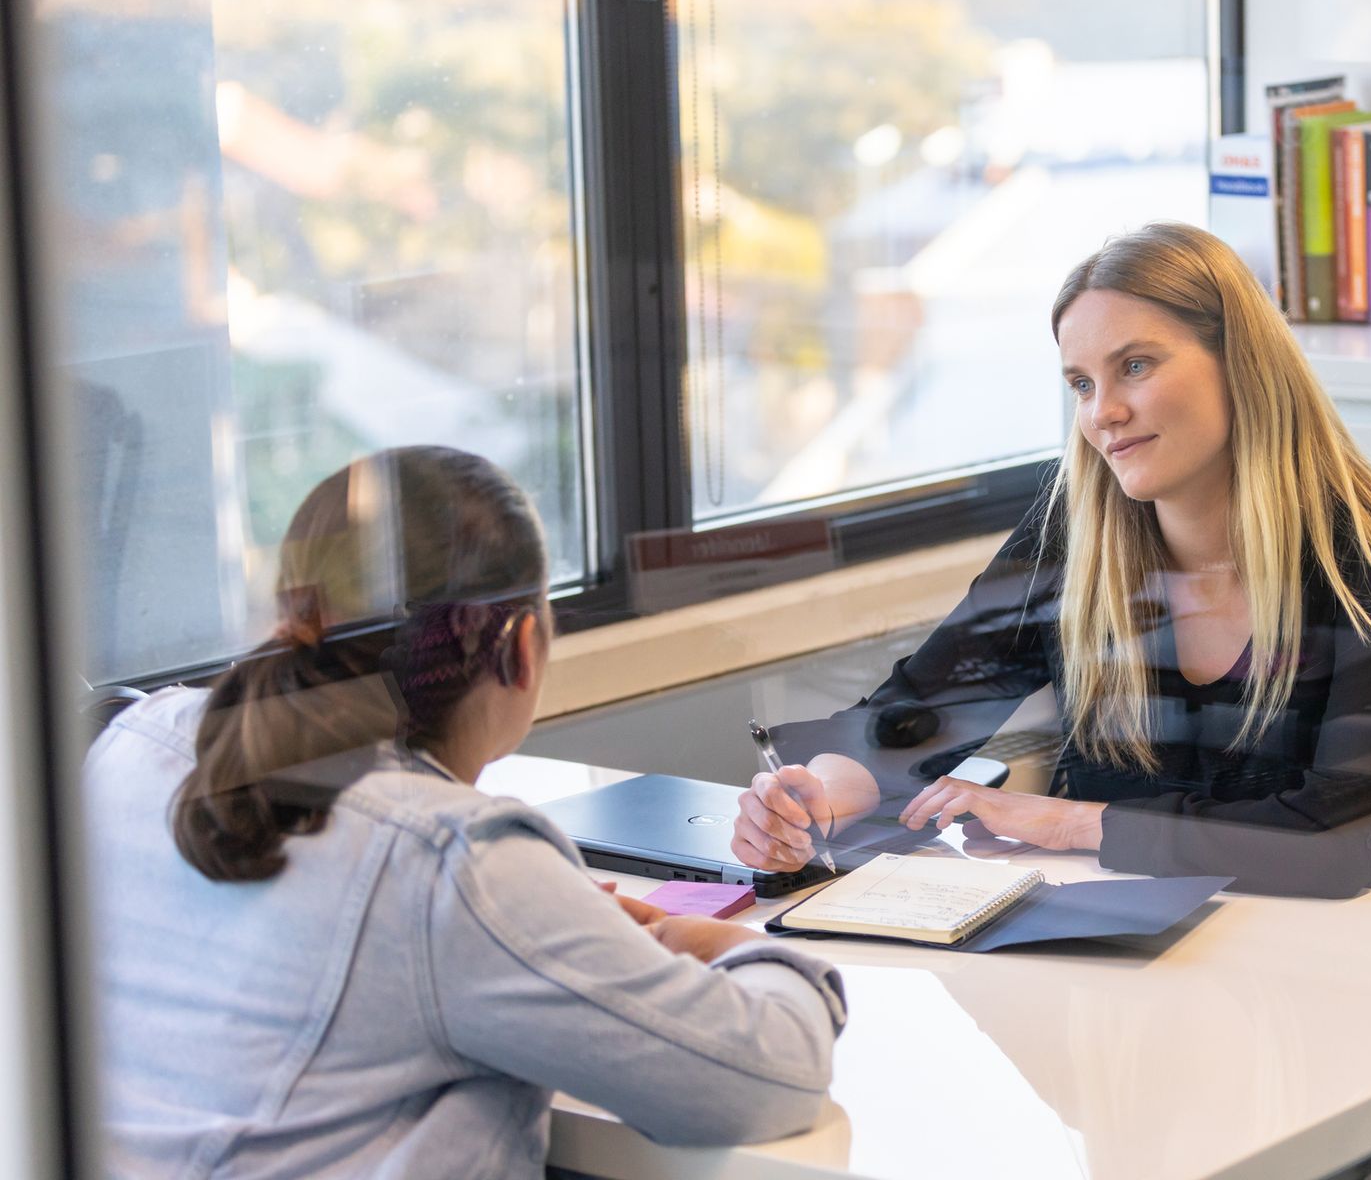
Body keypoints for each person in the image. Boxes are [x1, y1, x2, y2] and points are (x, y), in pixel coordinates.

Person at [85, 447, 846, 1178]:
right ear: (520, 645)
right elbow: (771, 1073)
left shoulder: (132, 746)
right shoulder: (457, 861)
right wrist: (694, 939)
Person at [732, 221, 1371, 899]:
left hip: (1343, 956)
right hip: (1128, 936)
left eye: (1134, 366)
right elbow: (920, 712)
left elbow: (1339, 843)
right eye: (1081, 384)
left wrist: (1076, 823)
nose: (1102, 412)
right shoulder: (1072, 530)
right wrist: (817, 797)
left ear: (1240, 363)